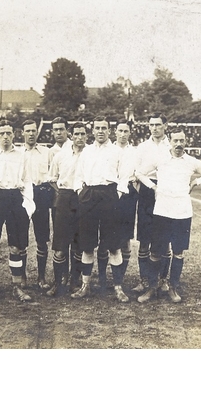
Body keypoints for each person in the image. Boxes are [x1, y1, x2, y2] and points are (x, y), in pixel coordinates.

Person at [137, 128, 201, 303]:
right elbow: (139, 173)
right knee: (155, 252)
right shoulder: (160, 159)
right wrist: (153, 187)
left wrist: (195, 182)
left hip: (182, 211)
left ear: (186, 142)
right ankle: (152, 287)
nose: (179, 144)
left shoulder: (191, 161)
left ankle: (173, 287)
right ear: (169, 141)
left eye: (182, 141)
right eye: (175, 140)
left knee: (178, 252)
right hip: (162, 210)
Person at [72, 116, 130, 302]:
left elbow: (124, 177)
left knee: (114, 246)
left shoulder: (117, 152)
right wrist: (81, 192)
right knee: (87, 245)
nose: (100, 131)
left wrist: (117, 194)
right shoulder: (86, 152)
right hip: (89, 196)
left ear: (109, 130)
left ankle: (118, 287)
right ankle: (85, 285)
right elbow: (78, 176)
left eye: (104, 128)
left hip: (109, 196)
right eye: (97, 128)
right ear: (93, 130)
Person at [0, 120, 34, 302]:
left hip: (15, 199)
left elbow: (27, 181)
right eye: (2, 133)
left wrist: (27, 205)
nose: (5, 137)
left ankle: (16, 287)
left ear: (14, 134)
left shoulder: (22, 156)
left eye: (9, 133)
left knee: (16, 246)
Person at [46, 122, 87, 297]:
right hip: (64, 198)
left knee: (79, 244)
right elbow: (51, 178)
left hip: (83, 199)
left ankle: (74, 280)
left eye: (82, 134)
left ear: (87, 136)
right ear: (71, 135)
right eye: (76, 134)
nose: (79, 137)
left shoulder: (91, 154)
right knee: (60, 245)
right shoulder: (60, 155)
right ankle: (58, 281)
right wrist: (63, 194)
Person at [133, 113, 171, 293]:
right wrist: (145, 191)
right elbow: (137, 172)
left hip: (166, 190)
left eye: (158, 124)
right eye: (151, 125)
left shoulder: (171, 146)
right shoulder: (142, 147)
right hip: (147, 191)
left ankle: (163, 279)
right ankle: (144, 279)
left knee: (165, 238)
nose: (154, 128)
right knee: (144, 239)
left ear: (165, 126)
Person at [22, 119, 52, 289]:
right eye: (28, 131)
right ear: (23, 133)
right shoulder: (18, 153)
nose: (31, 134)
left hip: (41, 195)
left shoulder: (46, 152)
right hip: (24, 196)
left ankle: (41, 277)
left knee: (42, 238)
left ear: (37, 132)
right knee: (22, 239)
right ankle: (23, 276)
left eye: (34, 130)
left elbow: (53, 174)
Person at [113, 119, 138, 284]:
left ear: (130, 133)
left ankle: (119, 278)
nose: (123, 134)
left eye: (126, 131)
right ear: (115, 131)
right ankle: (102, 277)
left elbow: (140, 172)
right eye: (120, 131)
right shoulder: (108, 149)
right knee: (108, 235)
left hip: (128, 195)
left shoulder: (135, 152)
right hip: (109, 194)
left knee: (125, 237)